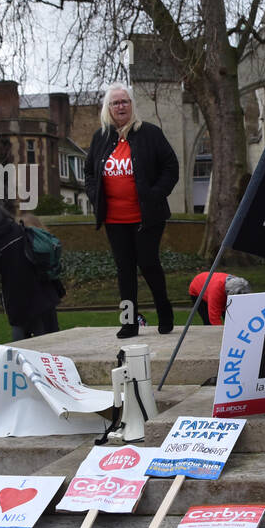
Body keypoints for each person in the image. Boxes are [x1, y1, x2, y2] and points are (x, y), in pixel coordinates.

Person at [85, 83, 180, 338]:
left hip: (147, 217)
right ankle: (129, 322)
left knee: (149, 264)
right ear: (108, 108)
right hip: (115, 219)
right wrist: (96, 197)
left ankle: (164, 313)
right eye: (115, 103)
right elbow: (90, 173)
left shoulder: (150, 134)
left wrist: (154, 194)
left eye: (125, 101)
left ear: (132, 105)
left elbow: (170, 167)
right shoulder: (100, 138)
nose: (120, 106)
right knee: (124, 270)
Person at [0, 200, 61, 341]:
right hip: (36, 283)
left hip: (15, 287)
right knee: (40, 325)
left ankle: (22, 357)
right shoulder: (15, 227)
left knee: (19, 326)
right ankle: (46, 357)